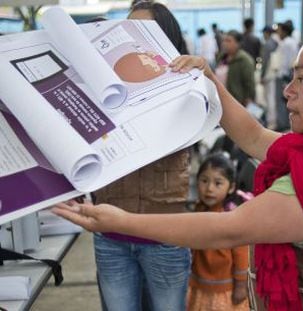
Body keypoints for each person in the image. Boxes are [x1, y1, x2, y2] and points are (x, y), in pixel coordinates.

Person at [54, 24, 303, 310]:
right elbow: (255, 136)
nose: (288, 90)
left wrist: (120, 221)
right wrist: (209, 78)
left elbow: (227, 229)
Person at [91, 2, 191, 311]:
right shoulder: (103, 87)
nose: (135, 39)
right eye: (129, 30)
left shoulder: (187, 83)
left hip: (165, 235)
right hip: (111, 234)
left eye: (146, 31)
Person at [187, 153, 249, 311]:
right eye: (204, 181)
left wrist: (241, 285)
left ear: (232, 187)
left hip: (225, 290)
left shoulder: (231, 217)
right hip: (199, 285)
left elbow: (242, 255)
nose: (209, 189)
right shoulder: (198, 209)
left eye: (218, 183)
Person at [215, 30, 255, 106]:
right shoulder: (221, 57)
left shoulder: (244, 60)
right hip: (221, 98)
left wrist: (249, 99)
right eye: (224, 40)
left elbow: (249, 83)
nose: (224, 43)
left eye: (228, 41)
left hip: (237, 101)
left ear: (238, 43)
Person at [274, 20, 298, 132]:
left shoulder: (285, 43)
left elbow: (283, 62)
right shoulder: (293, 42)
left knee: (281, 100)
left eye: (279, 30)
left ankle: (282, 124)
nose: (278, 33)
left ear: (284, 31)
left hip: (284, 74)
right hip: (291, 73)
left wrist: (282, 75)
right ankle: (287, 123)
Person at [260, 25, 278, 130]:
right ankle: (273, 119)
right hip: (274, 73)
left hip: (268, 74)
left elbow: (265, 62)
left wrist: (262, 75)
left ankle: (271, 121)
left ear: (266, 33)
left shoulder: (267, 45)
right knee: (272, 97)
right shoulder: (275, 43)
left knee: (269, 98)